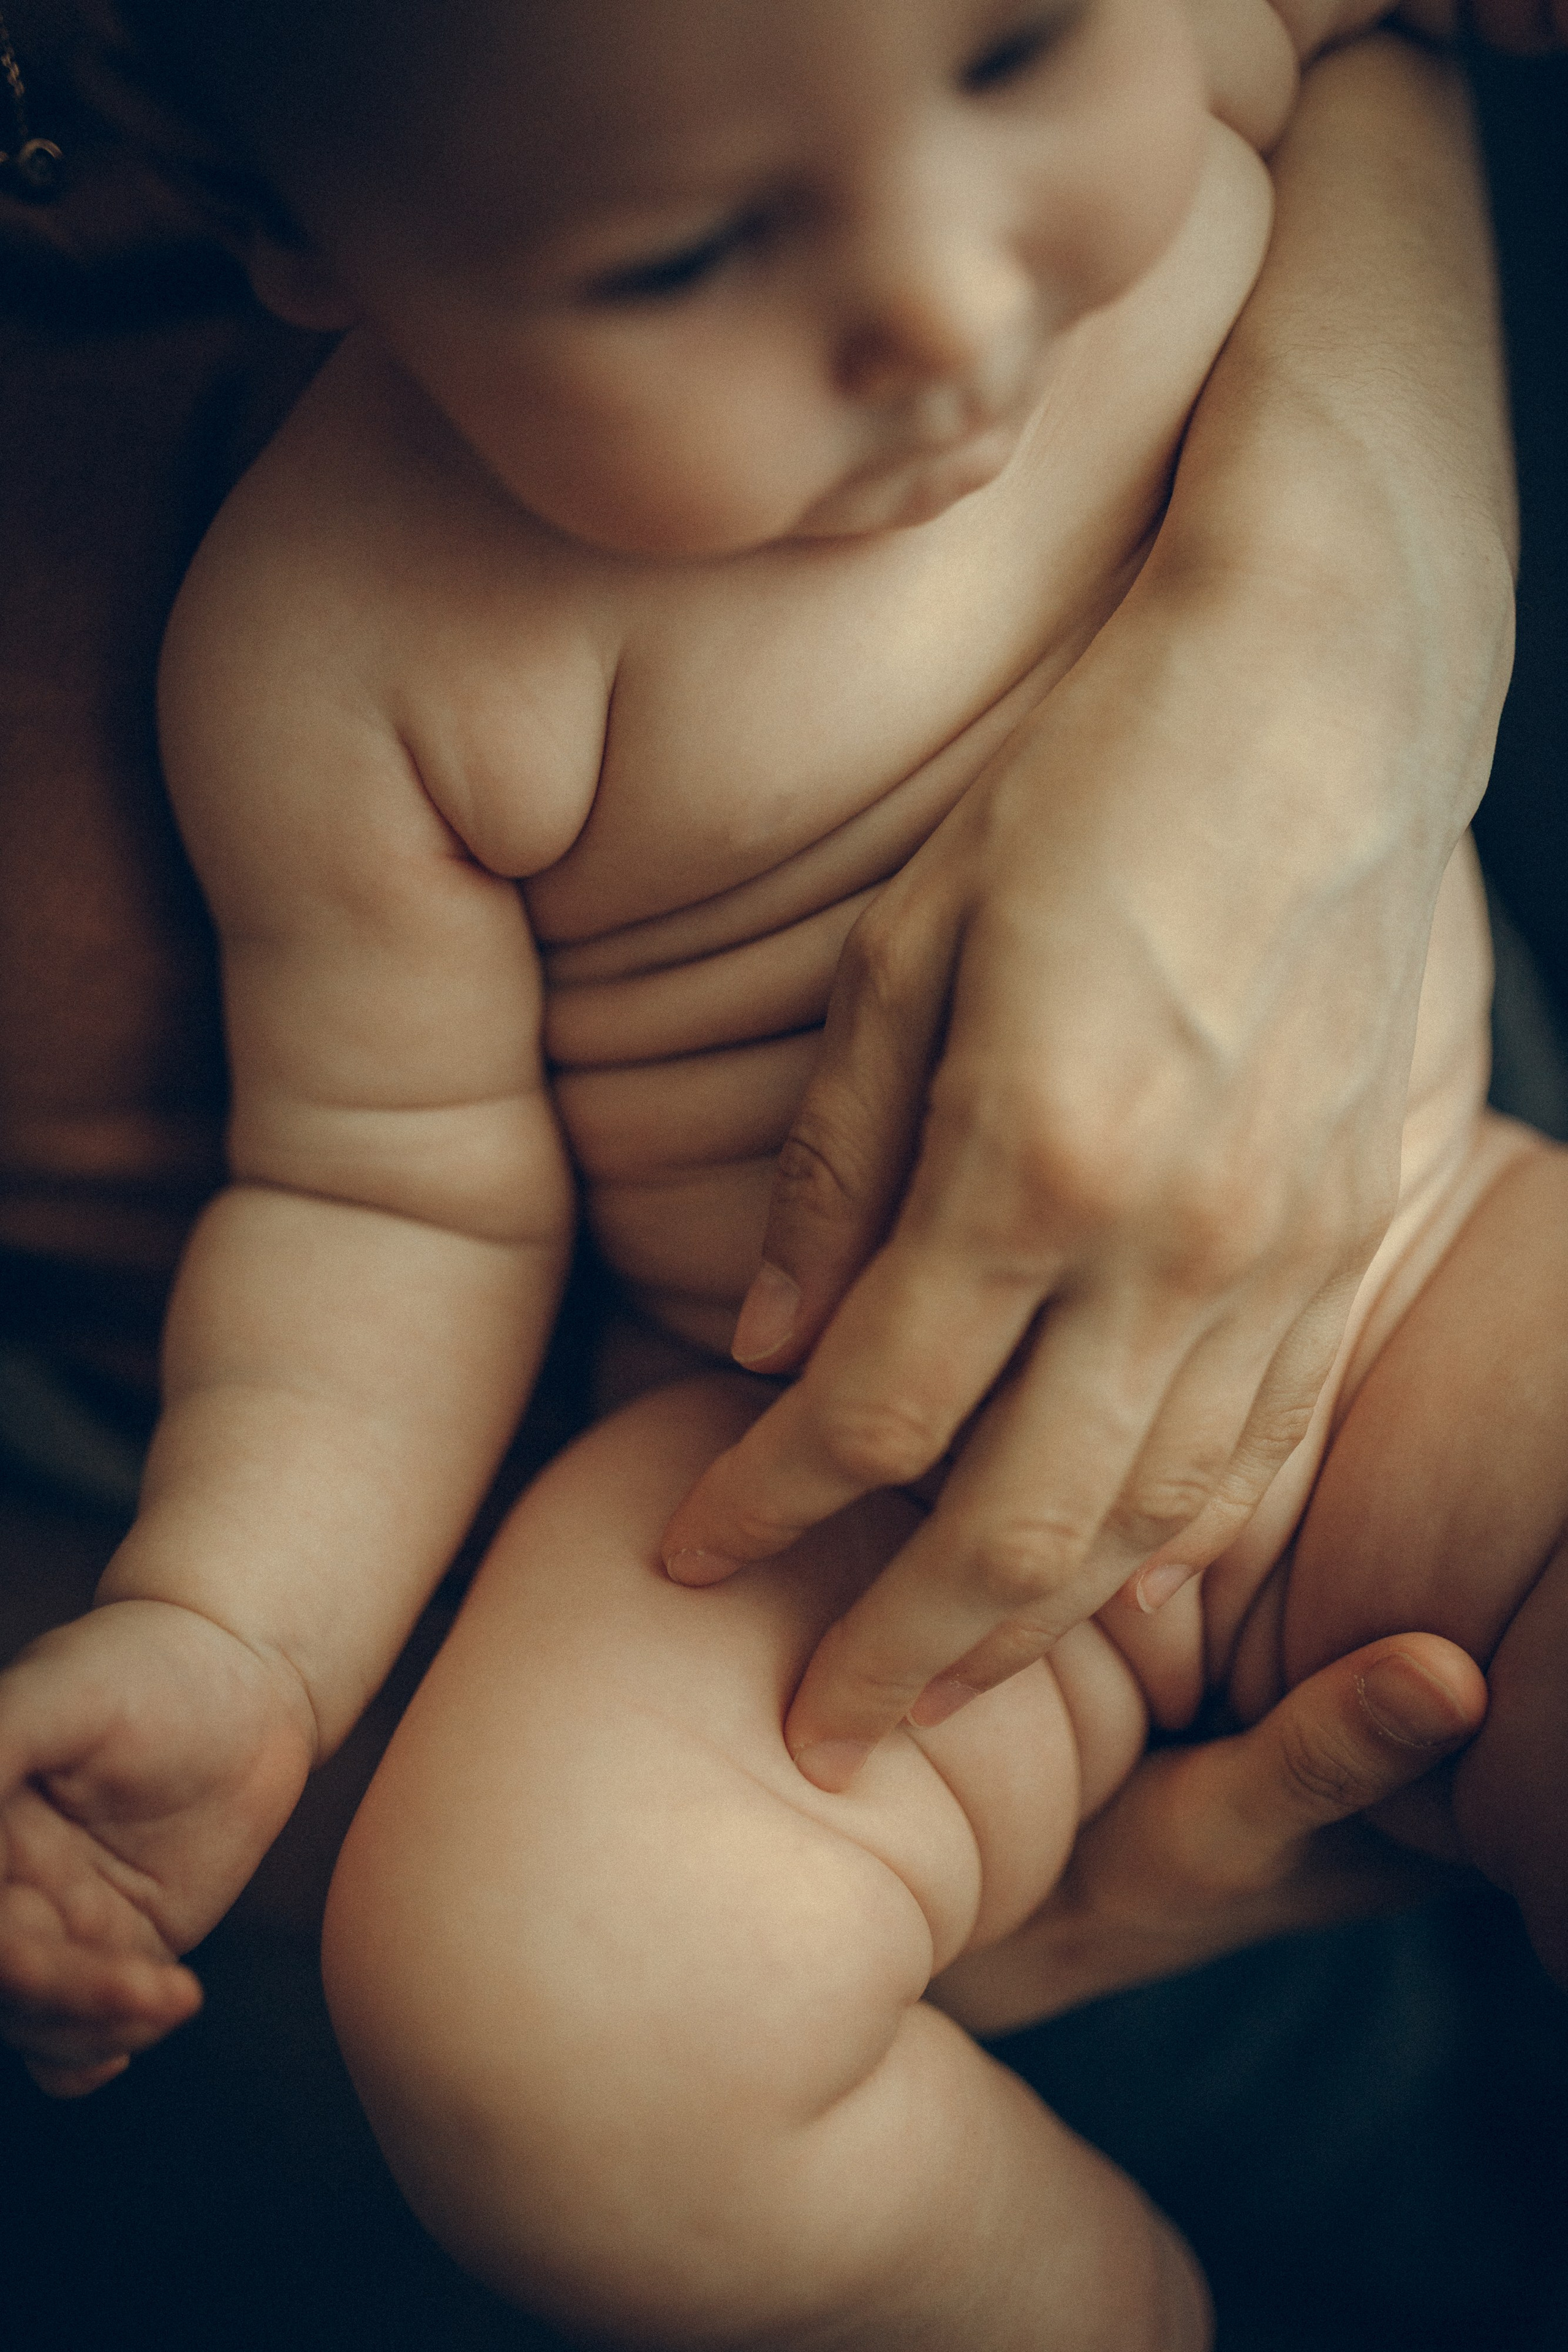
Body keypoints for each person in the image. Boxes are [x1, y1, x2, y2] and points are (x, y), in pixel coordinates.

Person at [0, 1, 1557, 2345]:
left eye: (1022, 56)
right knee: (540, 2011)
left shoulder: (1212, 76)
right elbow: (391, 1211)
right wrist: (238, 1634)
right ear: (285, 232)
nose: (946, 308)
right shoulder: (344, 646)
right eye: (682, 255)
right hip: (811, 1523)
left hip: (1411, 1273)